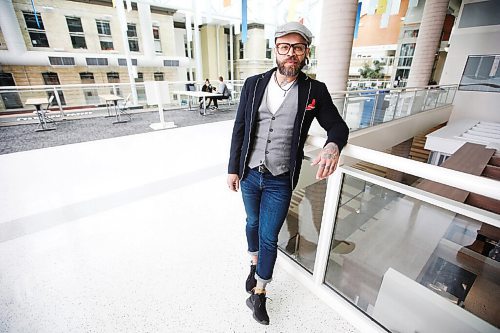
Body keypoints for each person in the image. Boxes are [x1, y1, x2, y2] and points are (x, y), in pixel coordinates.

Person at [227, 22, 349, 325]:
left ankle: (260, 292)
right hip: (250, 173)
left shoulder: (314, 90)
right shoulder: (253, 84)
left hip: (281, 178)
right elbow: (240, 128)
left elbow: (338, 126)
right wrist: (232, 168)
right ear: (276, 51)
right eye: (285, 47)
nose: (290, 53)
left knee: (269, 236)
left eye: (297, 47)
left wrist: (332, 146)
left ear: (306, 52)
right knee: (252, 222)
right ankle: (252, 263)